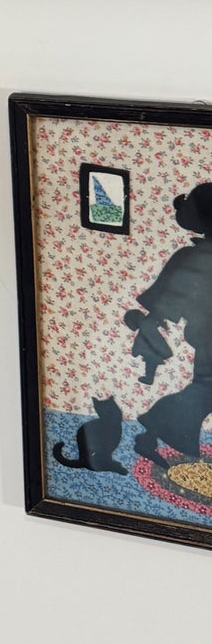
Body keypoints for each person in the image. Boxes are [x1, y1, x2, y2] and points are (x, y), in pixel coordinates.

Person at [125, 181, 212, 462]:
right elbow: (168, 298)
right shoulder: (192, 258)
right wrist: (149, 323)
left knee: (204, 389)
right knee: (205, 389)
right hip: (207, 336)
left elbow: (165, 299)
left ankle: (153, 432)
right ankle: (155, 429)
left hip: (203, 335)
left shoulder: (189, 256)